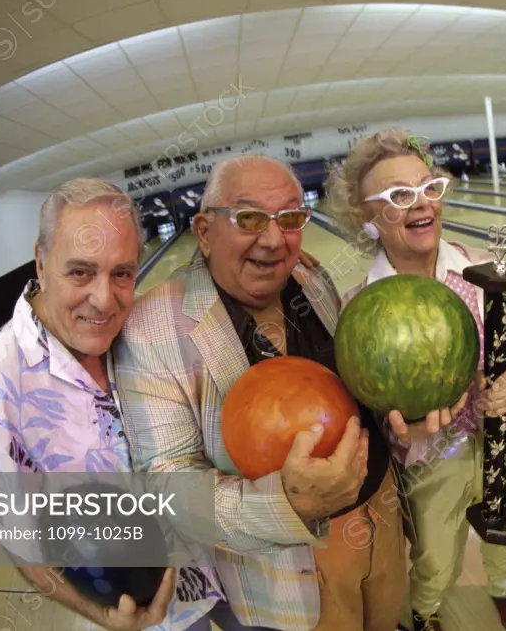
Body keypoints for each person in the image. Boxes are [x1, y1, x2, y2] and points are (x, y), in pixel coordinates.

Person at [113, 154, 408, 631]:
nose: (273, 240)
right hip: (296, 566)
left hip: (381, 520)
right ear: (204, 232)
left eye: (290, 219)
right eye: (249, 218)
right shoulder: (152, 327)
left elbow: (354, 385)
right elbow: (169, 486)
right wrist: (291, 505)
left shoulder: (310, 277)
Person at [0, 178, 222, 631]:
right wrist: (102, 615)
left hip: (226, 555)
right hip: (158, 614)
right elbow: (20, 538)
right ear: (41, 263)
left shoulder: (146, 328)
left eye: (122, 273)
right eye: (80, 272)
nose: (104, 300)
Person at [324, 128, 506, 631]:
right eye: (399, 196)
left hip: (499, 443)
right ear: (367, 218)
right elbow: (360, 408)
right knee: (435, 554)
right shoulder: (358, 310)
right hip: (429, 463)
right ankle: (425, 611)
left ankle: (503, 591)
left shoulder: (478, 270)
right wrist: (396, 427)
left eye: (429, 187)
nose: (421, 204)